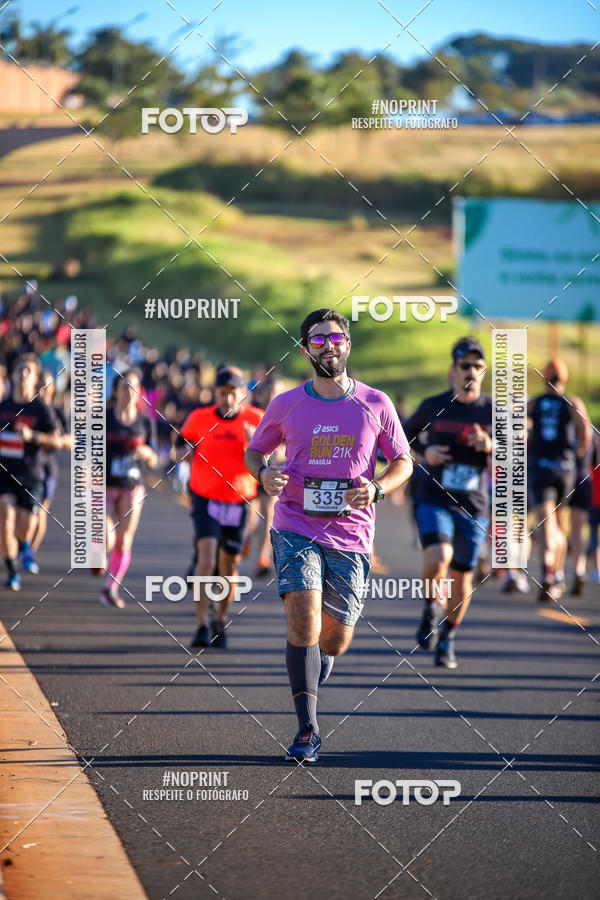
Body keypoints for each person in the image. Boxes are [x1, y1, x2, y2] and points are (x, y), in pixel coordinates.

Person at [245, 309, 412, 763]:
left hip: (351, 533)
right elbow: (255, 450)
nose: (328, 346)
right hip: (295, 522)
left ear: (348, 346)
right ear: (306, 351)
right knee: (304, 619)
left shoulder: (376, 403)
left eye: (335, 338)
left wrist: (376, 488)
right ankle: (308, 730)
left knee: (334, 640)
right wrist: (263, 474)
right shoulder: (286, 404)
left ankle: (318, 665)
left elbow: (403, 462)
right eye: (318, 340)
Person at [404, 337, 493, 669]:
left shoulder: (494, 411)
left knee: (462, 578)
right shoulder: (433, 405)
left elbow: (515, 454)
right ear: (453, 370)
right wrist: (425, 451)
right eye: (465, 365)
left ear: (484, 371)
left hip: (473, 505)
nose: (471, 371)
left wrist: (491, 445)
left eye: (477, 366)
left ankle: (448, 636)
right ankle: (431, 607)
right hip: (434, 496)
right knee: (438, 556)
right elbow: (404, 436)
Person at [178, 366, 263, 649]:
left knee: (230, 565)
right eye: (223, 392)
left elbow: (278, 455)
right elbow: (181, 443)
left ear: (243, 394)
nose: (227, 399)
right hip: (205, 496)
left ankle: (219, 619)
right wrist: (182, 453)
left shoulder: (256, 419)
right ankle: (201, 625)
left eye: (233, 393)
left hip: (239, 500)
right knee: (206, 558)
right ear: (215, 392)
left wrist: (256, 444)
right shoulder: (199, 418)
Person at [527, 360, 589, 603]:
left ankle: (549, 571)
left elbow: (513, 422)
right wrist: (579, 451)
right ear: (565, 378)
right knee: (560, 524)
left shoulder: (535, 403)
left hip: (540, 467)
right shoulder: (572, 402)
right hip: (565, 469)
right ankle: (558, 574)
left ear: (544, 378)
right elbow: (585, 430)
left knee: (546, 521)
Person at [0, 354, 61, 589]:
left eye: (28, 371)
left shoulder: (41, 409)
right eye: (20, 370)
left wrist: (33, 436)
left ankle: (24, 545)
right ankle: (12, 570)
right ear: (13, 375)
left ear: (35, 378)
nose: (23, 374)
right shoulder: (4, 406)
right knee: (5, 517)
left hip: (31, 474)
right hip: (4, 473)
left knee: (23, 527)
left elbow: (56, 440)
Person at [100, 367, 158, 607]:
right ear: (115, 391)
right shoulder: (103, 418)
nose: (130, 392)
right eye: (125, 387)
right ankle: (98, 557)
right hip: (104, 484)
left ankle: (111, 587)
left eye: (134, 387)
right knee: (105, 535)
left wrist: (146, 453)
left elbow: (154, 459)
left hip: (132, 486)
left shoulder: (145, 421)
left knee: (124, 540)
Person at [31, 371, 71, 555]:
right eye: (39, 386)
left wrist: (56, 441)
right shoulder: (28, 408)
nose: (42, 390)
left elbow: (71, 440)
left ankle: (30, 552)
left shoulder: (56, 411)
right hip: (27, 465)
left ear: (53, 389)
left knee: (41, 510)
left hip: (47, 468)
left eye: (46, 386)